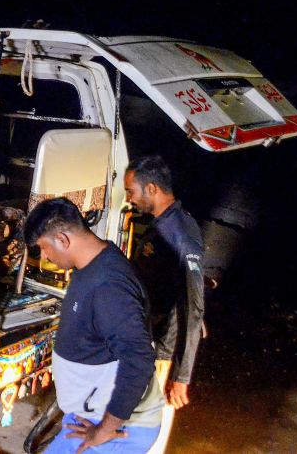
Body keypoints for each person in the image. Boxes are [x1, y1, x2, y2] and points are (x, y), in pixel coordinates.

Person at [25, 198, 164, 453]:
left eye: (44, 248)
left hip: (117, 430)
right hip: (87, 414)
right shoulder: (93, 264)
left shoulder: (109, 286)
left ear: (63, 239)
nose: (44, 256)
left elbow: (139, 357)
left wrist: (107, 428)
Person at [125, 155, 205, 410]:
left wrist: (181, 376)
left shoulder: (180, 234)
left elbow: (193, 307)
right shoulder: (164, 224)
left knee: (145, 419)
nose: (129, 199)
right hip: (148, 336)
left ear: (151, 189)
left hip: (162, 349)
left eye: (130, 191)